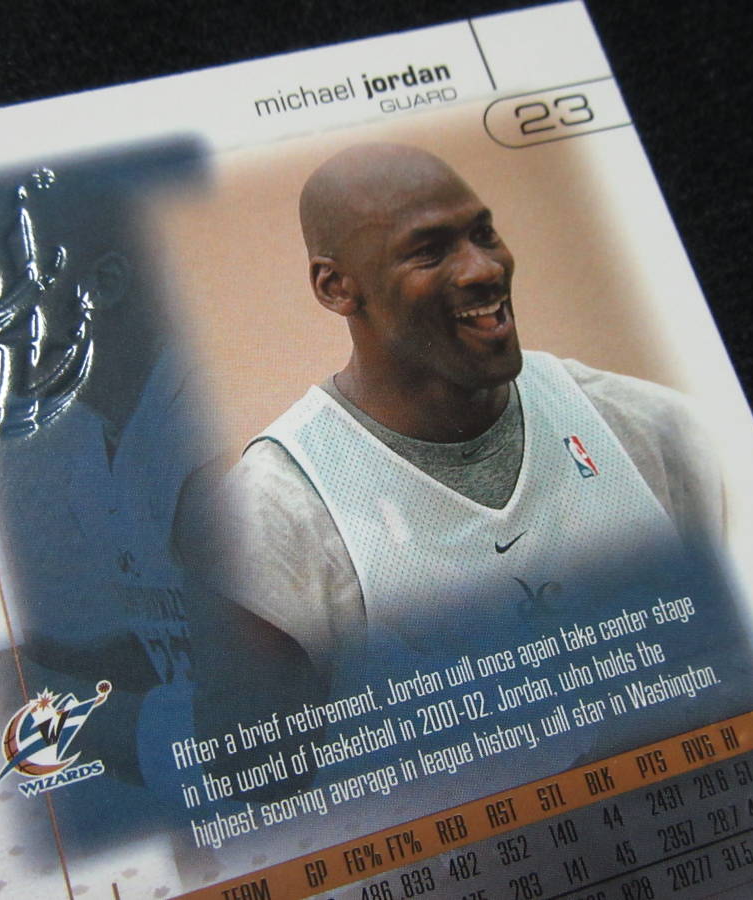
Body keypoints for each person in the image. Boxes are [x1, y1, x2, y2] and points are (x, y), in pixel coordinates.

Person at [185, 142, 723, 719]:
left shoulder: (649, 426)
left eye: (484, 234)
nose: (484, 268)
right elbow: (258, 763)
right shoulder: (271, 516)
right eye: (430, 251)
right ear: (336, 287)